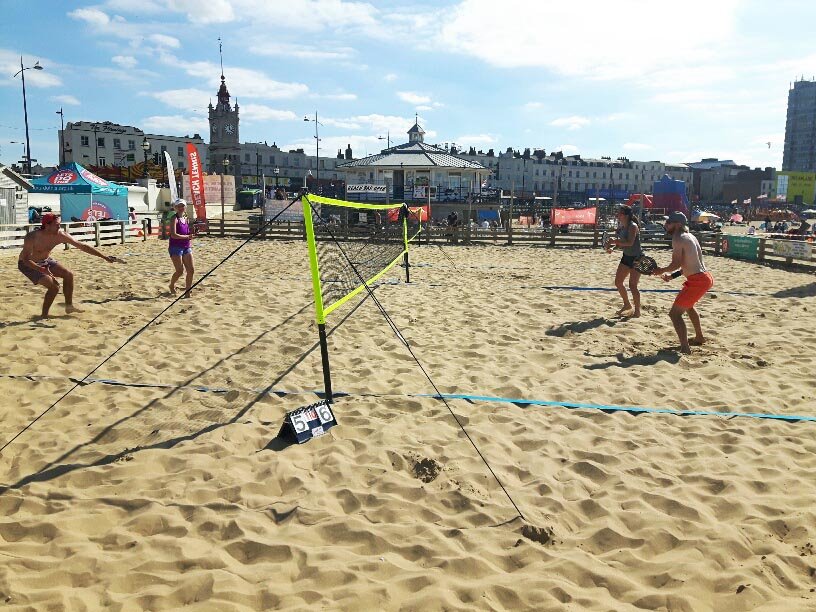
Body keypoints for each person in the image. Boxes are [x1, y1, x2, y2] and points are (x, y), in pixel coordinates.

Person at [18, 212, 117, 318]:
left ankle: (69, 306)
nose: (59, 226)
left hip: (45, 261)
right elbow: (26, 259)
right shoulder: (32, 237)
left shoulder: (61, 235)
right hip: (27, 264)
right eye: (56, 224)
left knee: (68, 275)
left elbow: (82, 246)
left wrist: (104, 257)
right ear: (47, 225)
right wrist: (41, 269)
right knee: (54, 287)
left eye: (59, 224)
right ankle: (44, 315)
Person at [652, 211, 714, 354]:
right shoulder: (691, 236)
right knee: (689, 307)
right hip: (705, 277)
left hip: (698, 280)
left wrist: (661, 270)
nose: (666, 225)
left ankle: (685, 348)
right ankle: (699, 337)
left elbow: (676, 263)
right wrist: (672, 276)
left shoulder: (678, 238)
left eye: (669, 222)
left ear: (678, 224)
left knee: (674, 314)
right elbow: (688, 264)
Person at [604, 204, 643, 317]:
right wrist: (613, 248)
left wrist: (614, 241)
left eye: (619, 213)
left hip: (637, 258)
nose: (617, 215)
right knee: (618, 282)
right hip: (626, 257)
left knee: (633, 286)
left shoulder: (633, 226)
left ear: (625, 215)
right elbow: (622, 242)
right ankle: (627, 304)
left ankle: (637, 311)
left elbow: (630, 243)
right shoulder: (623, 226)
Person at [168, 199, 195, 297]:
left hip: (186, 246)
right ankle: (171, 285)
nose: (181, 208)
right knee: (179, 271)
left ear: (185, 207)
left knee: (191, 270)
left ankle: (188, 291)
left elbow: (186, 232)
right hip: (175, 247)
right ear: (175, 208)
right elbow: (173, 235)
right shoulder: (174, 218)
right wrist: (187, 237)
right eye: (178, 206)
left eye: (182, 206)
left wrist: (191, 233)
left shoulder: (186, 217)